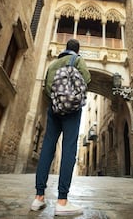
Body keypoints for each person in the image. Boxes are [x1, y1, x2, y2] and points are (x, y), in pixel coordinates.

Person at [31, 39, 91, 216]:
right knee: (69, 150)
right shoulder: (78, 61)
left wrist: (58, 101)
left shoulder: (53, 64)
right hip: (72, 110)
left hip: (54, 108)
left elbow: (47, 88)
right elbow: (87, 79)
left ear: (65, 49)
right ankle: (62, 201)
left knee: (47, 148)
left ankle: (38, 197)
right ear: (77, 50)